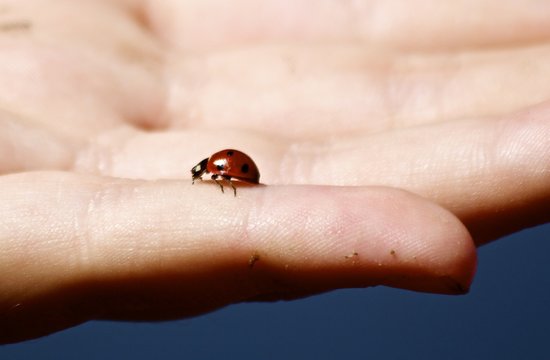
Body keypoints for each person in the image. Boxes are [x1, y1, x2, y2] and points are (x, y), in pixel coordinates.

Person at [0, 0, 548, 344]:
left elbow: (230, 171)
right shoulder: (217, 166)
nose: (210, 177)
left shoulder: (220, 169)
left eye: (210, 175)